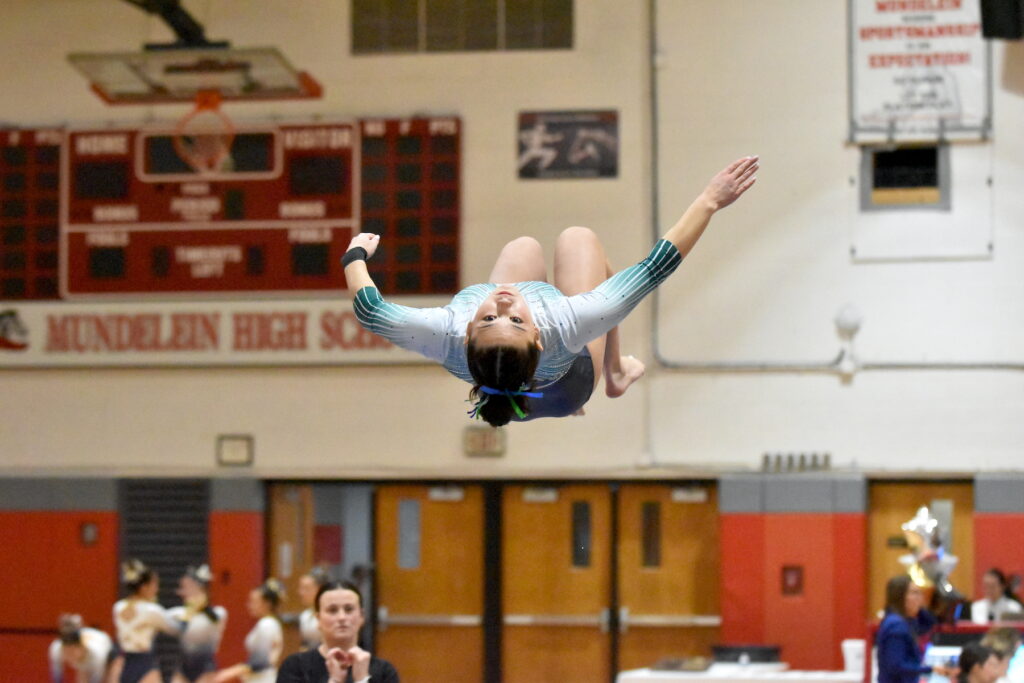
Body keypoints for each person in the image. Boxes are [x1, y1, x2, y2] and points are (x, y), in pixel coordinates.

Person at [346, 156, 758, 426]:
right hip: (567, 390)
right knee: (579, 240)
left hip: (502, 398)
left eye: (488, 317)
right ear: (539, 335)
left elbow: (370, 310)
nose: (503, 302)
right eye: (515, 318)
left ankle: (604, 374)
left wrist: (354, 255)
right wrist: (709, 201)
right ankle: (613, 373)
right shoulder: (566, 324)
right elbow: (655, 266)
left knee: (523, 248)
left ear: (466, 333)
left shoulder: (444, 330)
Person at [276, 580, 398, 683]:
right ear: (318, 619)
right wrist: (335, 680)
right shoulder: (296, 667)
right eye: (332, 610)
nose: (342, 617)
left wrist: (362, 680)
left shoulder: (384, 672)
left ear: (361, 616)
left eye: (349, 609)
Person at [113, 559, 184, 683]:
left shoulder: (118, 607)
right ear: (144, 587)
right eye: (154, 584)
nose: (156, 589)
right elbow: (173, 628)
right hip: (144, 662)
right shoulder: (151, 610)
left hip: (126, 663)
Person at [877, 575, 957, 683]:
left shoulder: (906, 621)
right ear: (900, 597)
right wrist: (931, 669)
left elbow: (929, 622)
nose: (920, 598)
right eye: (914, 593)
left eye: (920, 593)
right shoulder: (896, 626)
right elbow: (896, 666)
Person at [213, 579, 284, 683]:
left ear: (267, 604)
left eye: (254, 602)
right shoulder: (269, 623)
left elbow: (260, 662)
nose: (249, 605)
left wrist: (228, 673)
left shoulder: (267, 624)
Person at [170, 564, 227, 683]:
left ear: (200, 588)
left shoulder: (218, 614)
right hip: (183, 666)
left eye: (187, 587)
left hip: (205, 667)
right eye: (182, 587)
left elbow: (215, 622)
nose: (182, 592)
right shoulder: (178, 614)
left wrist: (199, 606)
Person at [48, 613, 116, 683]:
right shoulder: (56, 649)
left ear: (81, 647)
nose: (69, 655)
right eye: (66, 652)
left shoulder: (96, 652)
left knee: (111, 678)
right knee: (82, 673)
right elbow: (57, 674)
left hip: (108, 651)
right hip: (85, 658)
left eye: (72, 651)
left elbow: (98, 677)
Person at [297, 567, 330, 651]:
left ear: (319, 589)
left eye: (306, 588)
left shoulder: (330, 614)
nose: (301, 593)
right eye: (301, 588)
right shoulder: (305, 615)